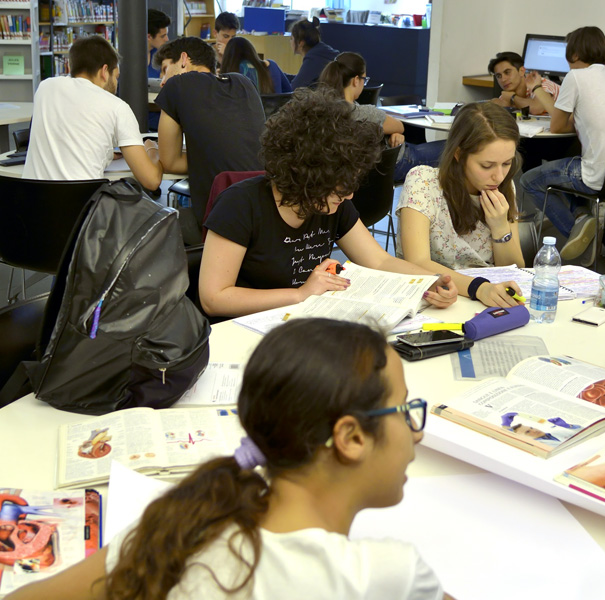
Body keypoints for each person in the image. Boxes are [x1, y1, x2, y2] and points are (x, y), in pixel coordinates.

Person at [7, 318, 453, 600]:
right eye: (403, 410)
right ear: (351, 437)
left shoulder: (178, 529)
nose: (414, 432)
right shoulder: (385, 577)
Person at [199, 90, 457, 318]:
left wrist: (428, 282)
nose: (349, 196)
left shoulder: (331, 204)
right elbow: (214, 298)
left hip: (304, 323)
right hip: (247, 328)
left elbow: (379, 261)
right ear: (308, 174)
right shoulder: (240, 204)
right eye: (341, 187)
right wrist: (300, 295)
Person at [519, 26, 605, 260]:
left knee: (530, 181)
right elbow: (575, 122)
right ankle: (582, 218)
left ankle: (583, 237)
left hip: (596, 175)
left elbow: (557, 126)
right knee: (560, 171)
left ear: (574, 54)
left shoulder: (575, 77)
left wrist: (536, 88)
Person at [396, 102, 526, 308]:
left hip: (488, 298)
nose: (499, 176)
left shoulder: (505, 185)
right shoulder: (424, 182)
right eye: (487, 165)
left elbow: (514, 270)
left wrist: (501, 228)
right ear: (459, 154)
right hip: (438, 298)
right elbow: (417, 262)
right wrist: (480, 288)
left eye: (507, 163)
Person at [155, 36, 266, 243]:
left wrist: (151, 149)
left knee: (153, 222)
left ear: (183, 59)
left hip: (218, 223)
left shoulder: (176, 85)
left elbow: (169, 161)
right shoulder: (244, 83)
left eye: (164, 69)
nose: (162, 80)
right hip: (264, 218)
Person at [24, 35, 162, 190]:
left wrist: (107, 153)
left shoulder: (45, 88)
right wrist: (152, 149)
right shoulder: (117, 107)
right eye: (116, 77)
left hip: (34, 205)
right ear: (104, 71)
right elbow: (152, 181)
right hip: (83, 207)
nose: (116, 84)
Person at [317, 52, 444, 181]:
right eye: (364, 80)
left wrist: (390, 135)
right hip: (398, 162)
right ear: (356, 80)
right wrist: (392, 132)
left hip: (374, 170)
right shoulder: (364, 113)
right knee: (454, 147)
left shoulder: (324, 109)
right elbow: (399, 126)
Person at [487, 51, 560, 116]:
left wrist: (513, 98)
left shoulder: (540, 84)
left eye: (507, 72)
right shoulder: (506, 95)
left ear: (521, 71)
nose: (503, 79)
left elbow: (536, 108)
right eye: (498, 76)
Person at [221, 36, 292, 94]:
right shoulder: (271, 65)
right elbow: (289, 92)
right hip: (276, 110)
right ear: (252, 51)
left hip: (244, 111)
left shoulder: (232, 72)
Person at [290, 17, 339, 90]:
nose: (290, 42)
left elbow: (295, 87)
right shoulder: (322, 51)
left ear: (301, 43)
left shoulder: (312, 58)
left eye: (291, 38)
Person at [146, 9, 170, 78]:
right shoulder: (131, 60)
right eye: (163, 36)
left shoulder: (162, 56)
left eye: (166, 35)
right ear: (149, 36)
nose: (167, 39)